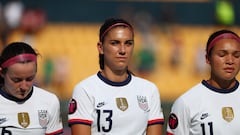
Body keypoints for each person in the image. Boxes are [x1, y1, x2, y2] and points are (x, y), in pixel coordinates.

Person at [68, 18, 164, 135]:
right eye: (115, 43)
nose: (122, 50)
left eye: (128, 43)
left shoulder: (149, 90)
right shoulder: (85, 90)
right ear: (101, 47)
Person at [166, 29, 240, 135]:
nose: (230, 61)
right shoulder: (186, 102)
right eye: (222, 55)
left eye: (236, 55)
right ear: (207, 58)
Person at [0, 42, 63, 135]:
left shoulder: (50, 101)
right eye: (17, 80)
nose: (24, 87)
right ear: (2, 73)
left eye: (29, 79)